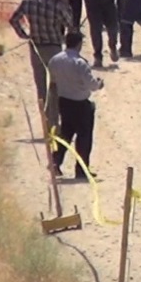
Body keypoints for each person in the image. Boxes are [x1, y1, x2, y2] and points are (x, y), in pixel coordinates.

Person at [9, 0, 74, 136]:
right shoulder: (56, 5)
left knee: (41, 88)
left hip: (36, 47)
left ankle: (46, 125)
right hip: (54, 49)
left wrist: (24, 34)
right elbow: (69, 24)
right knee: (55, 87)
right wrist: (65, 3)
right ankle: (54, 125)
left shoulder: (28, 1)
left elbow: (14, 19)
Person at [48, 31, 103, 180]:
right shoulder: (80, 63)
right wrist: (99, 84)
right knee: (84, 138)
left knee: (65, 134)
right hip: (81, 105)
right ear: (78, 44)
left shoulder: (55, 60)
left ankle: (55, 161)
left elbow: (52, 80)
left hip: (64, 102)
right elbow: (91, 84)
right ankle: (81, 169)